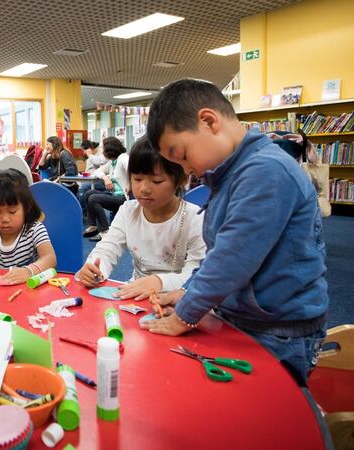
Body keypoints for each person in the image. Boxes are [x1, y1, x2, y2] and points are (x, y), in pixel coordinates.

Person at [142, 79, 328, 385]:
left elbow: (233, 258)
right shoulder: (230, 173)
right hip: (249, 317)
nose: (186, 170)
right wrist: (188, 290)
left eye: (183, 155)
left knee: (269, 412)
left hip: (279, 329)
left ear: (209, 121)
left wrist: (185, 313)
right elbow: (219, 251)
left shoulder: (265, 170)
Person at [75, 137, 206, 300]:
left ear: (181, 179)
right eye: (137, 179)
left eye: (156, 181)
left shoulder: (195, 218)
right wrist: (95, 267)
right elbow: (108, 248)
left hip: (180, 301)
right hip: (136, 297)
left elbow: (198, 273)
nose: (144, 189)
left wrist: (159, 281)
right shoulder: (128, 211)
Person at [81, 137, 130, 241]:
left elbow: (133, 169)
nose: (102, 152)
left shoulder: (123, 158)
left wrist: (131, 184)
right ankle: (93, 226)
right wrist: (105, 178)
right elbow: (97, 171)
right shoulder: (112, 163)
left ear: (110, 150)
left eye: (104, 149)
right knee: (88, 193)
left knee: (94, 198)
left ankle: (105, 231)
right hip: (114, 195)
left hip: (124, 197)